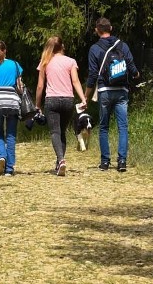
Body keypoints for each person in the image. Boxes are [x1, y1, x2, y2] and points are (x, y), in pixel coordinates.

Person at [84, 17, 139, 172]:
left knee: (104, 127)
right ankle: (122, 161)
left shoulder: (94, 49)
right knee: (123, 126)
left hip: (105, 91)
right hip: (122, 90)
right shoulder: (123, 45)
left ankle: (105, 161)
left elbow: (93, 75)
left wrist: (86, 95)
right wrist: (135, 74)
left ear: (97, 30)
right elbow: (131, 66)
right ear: (111, 28)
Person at [35, 36, 87, 176]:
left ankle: (61, 160)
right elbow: (75, 81)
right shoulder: (70, 61)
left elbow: (40, 86)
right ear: (62, 46)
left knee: (55, 132)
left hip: (51, 100)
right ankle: (60, 162)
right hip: (68, 101)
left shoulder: (45, 62)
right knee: (62, 132)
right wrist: (83, 99)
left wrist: (37, 105)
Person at [0, 41, 23, 176]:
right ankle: (9, 169)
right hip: (13, 101)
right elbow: (20, 87)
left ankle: (1, 156)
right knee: (11, 135)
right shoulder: (14, 64)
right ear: (5, 50)